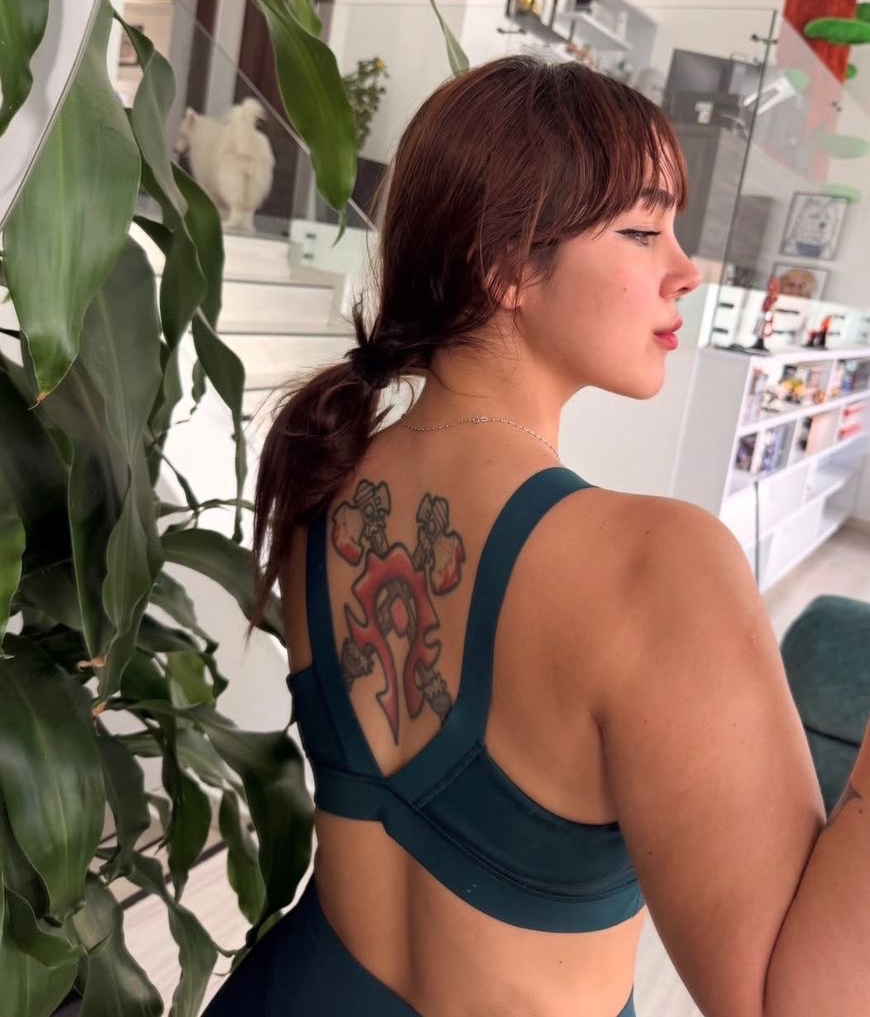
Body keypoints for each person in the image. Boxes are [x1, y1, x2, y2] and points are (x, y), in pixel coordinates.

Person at [204, 56, 870, 1016]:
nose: (687, 272)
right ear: (506, 265)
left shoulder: (323, 478)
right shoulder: (657, 567)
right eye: (642, 231)